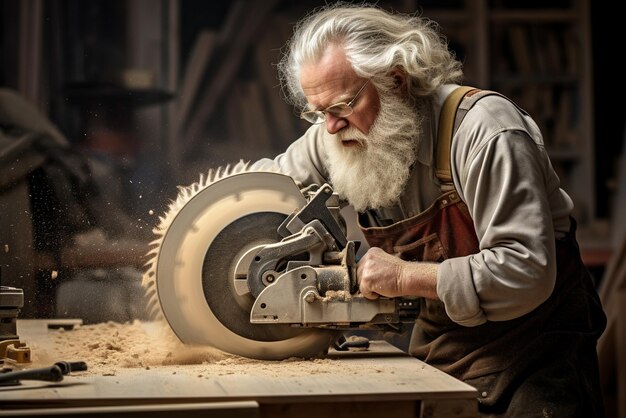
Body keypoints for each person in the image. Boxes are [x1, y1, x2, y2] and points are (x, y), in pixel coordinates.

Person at [251, 3, 607, 416]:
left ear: (396, 81)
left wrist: (404, 275)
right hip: (442, 352)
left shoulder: (485, 133)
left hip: (537, 354)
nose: (329, 127)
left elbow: (525, 270)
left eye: (342, 106)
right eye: (317, 112)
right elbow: (262, 189)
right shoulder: (337, 132)